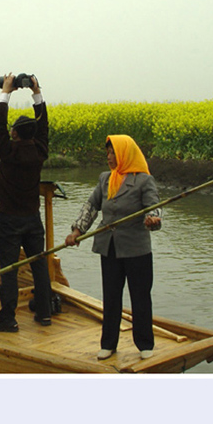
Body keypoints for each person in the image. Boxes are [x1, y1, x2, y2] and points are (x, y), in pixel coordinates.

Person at [65, 135, 162, 360]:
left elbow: (154, 207)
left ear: (125, 154)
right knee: (111, 297)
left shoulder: (143, 180)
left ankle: (145, 344)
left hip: (136, 249)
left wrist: (152, 219)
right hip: (109, 248)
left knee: (140, 297)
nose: (109, 157)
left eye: (113, 153)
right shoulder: (105, 179)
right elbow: (91, 206)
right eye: (107, 153)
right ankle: (108, 343)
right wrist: (77, 231)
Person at [0, 72, 52, 333]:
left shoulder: (9, 152)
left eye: (12, 130)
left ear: (14, 134)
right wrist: (36, 92)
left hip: (11, 220)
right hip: (33, 219)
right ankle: (45, 313)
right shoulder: (39, 152)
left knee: (10, 270)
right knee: (39, 265)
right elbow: (43, 126)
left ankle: (8, 319)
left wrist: (6, 91)